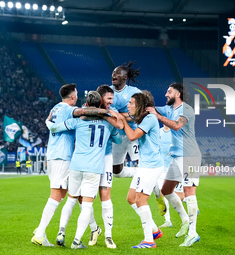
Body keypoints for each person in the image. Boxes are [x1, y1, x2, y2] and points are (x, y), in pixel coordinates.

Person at [31, 84, 116, 247]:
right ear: (72, 97)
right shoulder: (70, 110)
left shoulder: (55, 108)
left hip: (56, 154)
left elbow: (53, 124)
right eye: (76, 94)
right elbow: (84, 112)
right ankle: (41, 232)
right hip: (63, 156)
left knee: (71, 195)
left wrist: (47, 124)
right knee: (57, 195)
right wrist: (107, 112)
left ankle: (94, 228)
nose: (77, 96)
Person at [56, 85, 122, 249]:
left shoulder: (78, 120)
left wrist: (49, 122)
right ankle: (77, 241)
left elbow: (57, 127)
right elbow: (119, 139)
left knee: (71, 200)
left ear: (86, 103)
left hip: (76, 165)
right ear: (100, 102)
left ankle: (61, 232)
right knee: (87, 205)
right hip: (94, 168)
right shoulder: (108, 123)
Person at [147, 82, 201, 247]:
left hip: (190, 156)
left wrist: (158, 116)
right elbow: (151, 108)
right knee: (166, 190)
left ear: (178, 94)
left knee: (189, 193)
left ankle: (193, 233)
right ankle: (185, 220)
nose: (166, 94)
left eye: (169, 91)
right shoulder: (169, 109)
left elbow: (177, 126)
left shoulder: (186, 109)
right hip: (177, 157)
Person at [120, 91, 164, 249]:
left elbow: (132, 136)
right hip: (144, 165)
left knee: (141, 200)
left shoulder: (150, 118)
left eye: (131, 103)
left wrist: (123, 123)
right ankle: (154, 230)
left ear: (139, 106)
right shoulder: (143, 117)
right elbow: (126, 116)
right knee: (131, 198)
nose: (128, 105)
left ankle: (149, 241)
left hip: (151, 166)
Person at [110, 61, 142, 178]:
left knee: (142, 164)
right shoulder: (107, 91)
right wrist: (127, 116)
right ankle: (135, 173)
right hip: (116, 136)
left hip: (133, 134)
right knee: (116, 172)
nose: (114, 75)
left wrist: (118, 115)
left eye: (117, 73)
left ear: (125, 77)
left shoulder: (135, 92)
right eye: (113, 72)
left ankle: (159, 193)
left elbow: (139, 115)